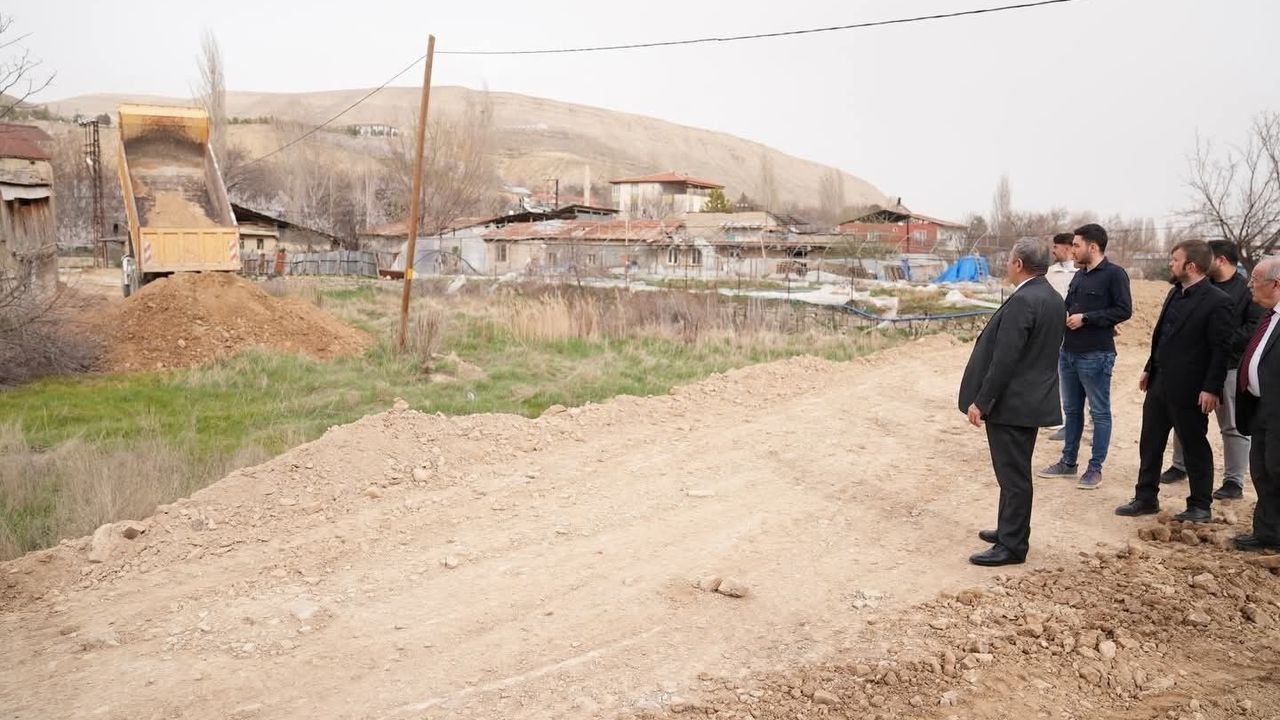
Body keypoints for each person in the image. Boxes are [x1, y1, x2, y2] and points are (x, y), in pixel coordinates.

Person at [958, 238, 1065, 566]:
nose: (1007, 265)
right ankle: (1009, 529)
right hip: (1030, 400)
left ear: (1019, 264)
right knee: (1013, 473)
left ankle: (1013, 545)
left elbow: (1005, 359)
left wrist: (982, 401)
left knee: (1013, 477)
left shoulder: (1025, 300)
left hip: (1013, 403)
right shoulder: (1052, 297)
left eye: (1009, 260)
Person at [1115, 241, 1232, 522]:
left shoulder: (1218, 301)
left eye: (1175, 260)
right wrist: (1149, 368)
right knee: (1150, 443)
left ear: (1191, 266)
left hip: (1191, 389)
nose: (1170, 263)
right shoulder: (1174, 293)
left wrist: (1211, 388)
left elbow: (1221, 350)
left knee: (1194, 446)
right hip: (1159, 383)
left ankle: (1200, 506)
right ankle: (1145, 498)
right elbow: (1162, 336)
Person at [1159, 240, 1263, 498]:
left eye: (1209, 257)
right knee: (1184, 418)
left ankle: (1233, 481)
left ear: (1222, 260)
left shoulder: (1245, 291)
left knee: (1231, 426)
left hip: (1230, 367)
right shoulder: (1203, 287)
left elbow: (1253, 329)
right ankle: (1180, 465)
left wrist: (1217, 341)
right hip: (1194, 369)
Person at [1039, 223, 1132, 489]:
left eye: (1077, 246)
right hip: (1068, 352)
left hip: (1096, 354)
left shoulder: (1114, 275)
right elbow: (1068, 306)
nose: (1073, 250)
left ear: (1093, 247)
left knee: (1099, 412)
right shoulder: (1079, 276)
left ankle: (1095, 469)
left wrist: (1087, 318)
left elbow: (1124, 310)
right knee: (1071, 410)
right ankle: (1068, 462)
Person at [1233, 257, 1280, 552]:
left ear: (1276, 284)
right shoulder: (1268, 316)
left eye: (1255, 280)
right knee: (1262, 471)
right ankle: (1267, 532)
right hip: (1262, 408)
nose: (1249, 285)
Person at [1046, 232, 1079, 441]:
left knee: (1083, 379)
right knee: (1060, 377)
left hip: (1081, 333)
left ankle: (1090, 422)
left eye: (1056, 247)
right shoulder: (1050, 274)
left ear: (1066, 248)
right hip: (1056, 332)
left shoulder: (1082, 272)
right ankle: (1065, 422)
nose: (1053, 250)